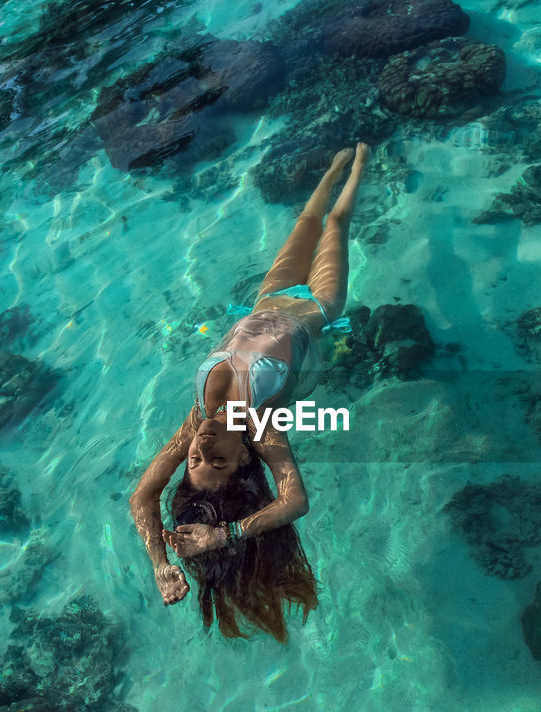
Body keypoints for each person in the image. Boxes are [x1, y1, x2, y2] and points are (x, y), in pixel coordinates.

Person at [129, 142, 369, 642]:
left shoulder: (195, 425)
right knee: (335, 224)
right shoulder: (263, 429)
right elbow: (295, 501)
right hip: (318, 307)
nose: (202, 450)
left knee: (306, 219)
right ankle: (361, 164)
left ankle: (331, 165)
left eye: (195, 463)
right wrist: (229, 533)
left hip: (269, 298)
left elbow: (142, 497)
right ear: (243, 461)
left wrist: (159, 563)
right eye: (217, 462)